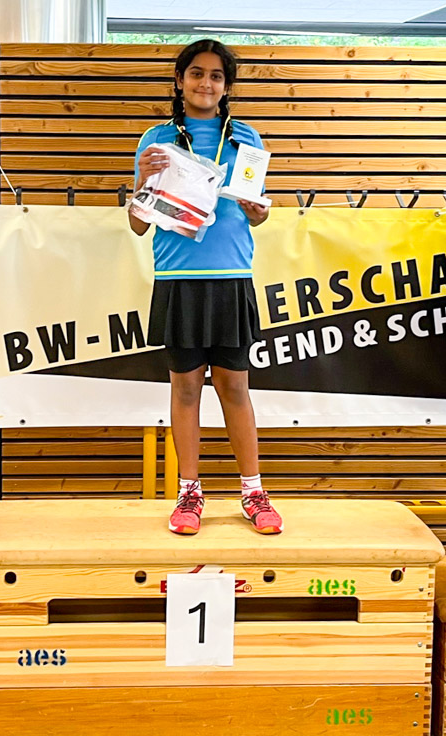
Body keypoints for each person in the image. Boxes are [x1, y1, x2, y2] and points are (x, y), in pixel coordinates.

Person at [129, 39, 282, 536]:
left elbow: (255, 214)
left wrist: (258, 212)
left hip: (231, 276)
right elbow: (138, 224)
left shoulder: (245, 137)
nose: (206, 83)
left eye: (216, 76)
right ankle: (189, 493)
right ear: (179, 81)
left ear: (227, 86)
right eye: (196, 73)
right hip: (178, 278)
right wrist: (139, 188)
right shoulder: (156, 139)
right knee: (186, 388)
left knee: (235, 387)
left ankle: (253, 491)